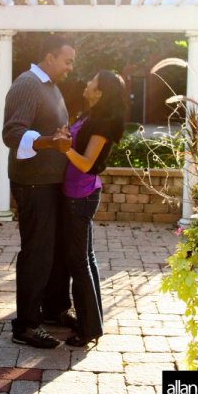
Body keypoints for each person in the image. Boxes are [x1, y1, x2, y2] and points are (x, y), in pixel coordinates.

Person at [2, 34, 77, 349]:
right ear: (49, 57)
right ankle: (26, 325)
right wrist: (49, 141)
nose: (70, 68)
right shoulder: (27, 84)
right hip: (33, 182)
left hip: (52, 181)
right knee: (37, 251)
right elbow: (12, 132)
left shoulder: (50, 86)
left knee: (58, 249)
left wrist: (58, 136)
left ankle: (54, 309)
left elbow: (48, 131)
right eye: (67, 60)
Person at [61, 70, 126, 347]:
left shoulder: (102, 124)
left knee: (80, 262)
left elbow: (86, 163)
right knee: (85, 260)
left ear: (99, 92)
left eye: (92, 81)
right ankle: (92, 322)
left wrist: (63, 148)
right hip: (75, 193)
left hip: (81, 195)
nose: (86, 83)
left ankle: (88, 329)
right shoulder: (88, 116)